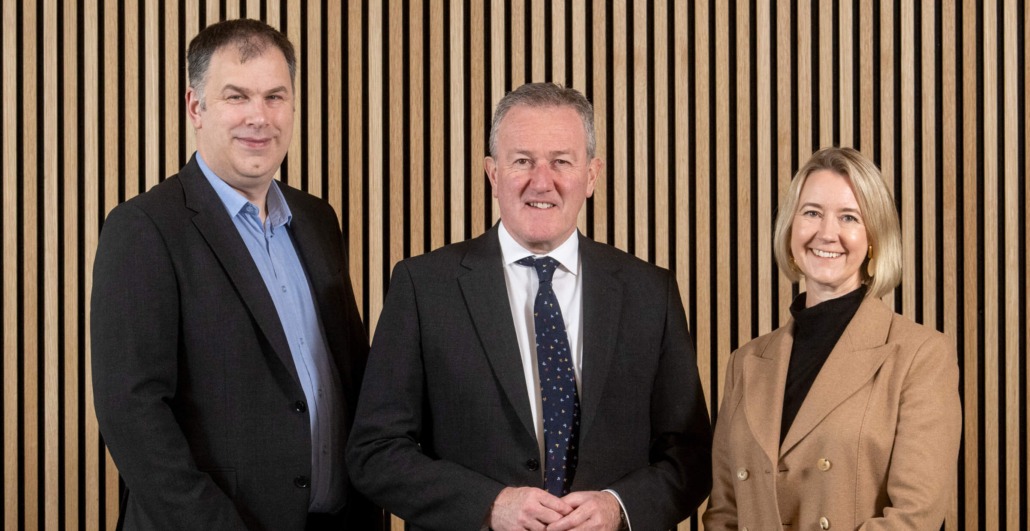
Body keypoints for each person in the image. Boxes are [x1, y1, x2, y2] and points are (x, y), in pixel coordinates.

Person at [345, 82, 712, 531]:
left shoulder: (649, 292)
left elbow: (690, 455)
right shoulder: (424, 287)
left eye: (561, 161)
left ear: (592, 175)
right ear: (493, 174)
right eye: (522, 161)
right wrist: (489, 504)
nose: (542, 181)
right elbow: (375, 451)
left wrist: (619, 507)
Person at [91, 19, 380, 530]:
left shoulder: (317, 221)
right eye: (236, 97)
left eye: (275, 96)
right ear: (195, 107)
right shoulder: (144, 229)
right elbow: (133, 415)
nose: (259, 117)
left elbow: (350, 376)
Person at [703, 147, 962, 530]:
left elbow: (914, 518)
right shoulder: (746, 361)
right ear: (791, 228)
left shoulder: (920, 356)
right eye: (811, 213)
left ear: (874, 236)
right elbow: (724, 513)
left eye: (849, 217)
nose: (827, 232)